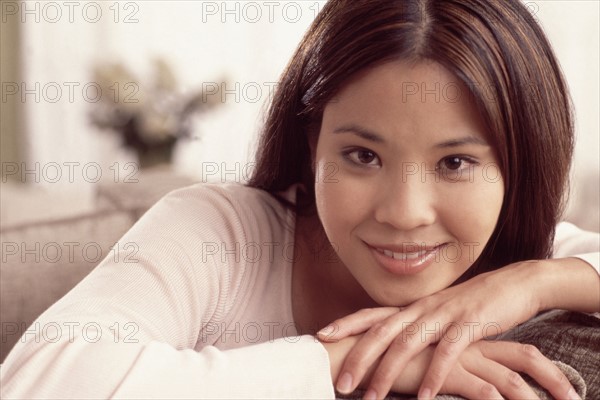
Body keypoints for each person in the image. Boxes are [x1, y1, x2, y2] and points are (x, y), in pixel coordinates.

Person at [1, 0, 598, 399]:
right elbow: (38, 381)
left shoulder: (503, 254)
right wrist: (340, 360)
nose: (404, 212)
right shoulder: (220, 233)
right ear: (312, 141)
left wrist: (534, 283)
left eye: (455, 163)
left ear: (516, 167)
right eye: (363, 156)